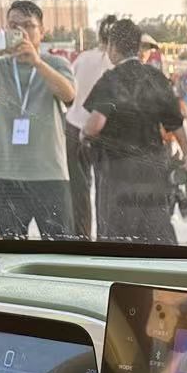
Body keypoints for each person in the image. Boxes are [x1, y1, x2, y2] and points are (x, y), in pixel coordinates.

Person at [0, 0, 76, 240]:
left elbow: (68, 94)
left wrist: (37, 62)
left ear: (42, 32)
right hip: (9, 176)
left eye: (28, 25)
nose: (20, 31)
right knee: (10, 247)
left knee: (61, 247)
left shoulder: (56, 63)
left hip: (50, 175)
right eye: (13, 25)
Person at [84, 17, 186, 243]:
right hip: (152, 169)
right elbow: (176, 124)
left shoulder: (111, 79)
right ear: (136, 46)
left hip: (118, 170)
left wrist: (84, 134)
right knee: (156, 230)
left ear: (113, 47)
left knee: (118, 235)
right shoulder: (156, 77)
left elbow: (95, 125)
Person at [64, 14, 115, 241]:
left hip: (74, 127)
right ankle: (104, 240)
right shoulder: (115, 64)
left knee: (79, 190)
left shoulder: (82, 58)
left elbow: (70, 92)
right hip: (103, 132)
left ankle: (82, 239)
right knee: (105, 191)